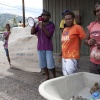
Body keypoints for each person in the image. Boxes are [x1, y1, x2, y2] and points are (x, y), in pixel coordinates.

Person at [31, 11, 56, 81]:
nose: (43, 17)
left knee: (50, 65)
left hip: (48, 48)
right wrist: (33, 24)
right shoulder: (38, 25)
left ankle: (54, 77)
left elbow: (49, 35)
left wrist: (42, 27)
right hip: (40, 47)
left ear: (49, 17)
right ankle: (47, 76)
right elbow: (32, 32)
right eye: (42, 16)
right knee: (43, 64)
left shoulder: (51, 25)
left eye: (45, 16)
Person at [61, 11, 86, 75]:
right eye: (66, 19)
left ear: (73, 19)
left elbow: (85, 38)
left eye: (69, 19)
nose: (68, 21)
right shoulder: (65, 29)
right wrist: (61, 55)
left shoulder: (77, 28)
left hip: (72, 56)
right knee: (65, 75)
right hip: (64, 56)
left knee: (70, 76)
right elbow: (64, 43)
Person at [85, 0, 100, 74]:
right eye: (97, 11)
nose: (99, 12)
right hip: (94, 62)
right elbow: (85, 40)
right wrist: (89, 42)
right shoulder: (92, 25)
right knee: (95, 83)